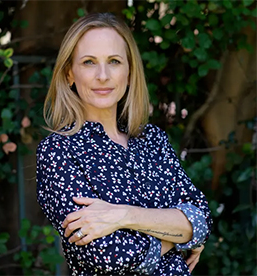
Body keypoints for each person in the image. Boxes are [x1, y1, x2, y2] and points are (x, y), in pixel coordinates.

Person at [36, 12, 212, 275]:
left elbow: (202, 219)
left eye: (114, 61)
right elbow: (111, 255)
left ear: (129, 72)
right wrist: (179, 234)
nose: (103, 75)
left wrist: (123, 215)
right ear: (69, 73)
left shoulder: (152, 140)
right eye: (89, 62)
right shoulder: (59, 152)